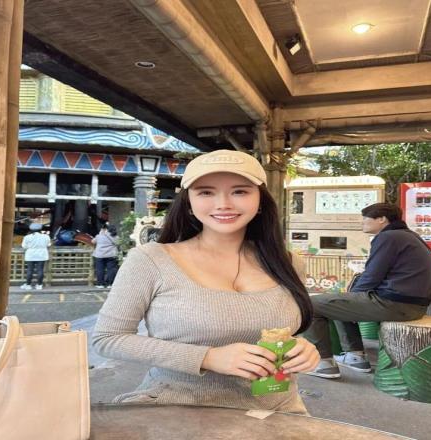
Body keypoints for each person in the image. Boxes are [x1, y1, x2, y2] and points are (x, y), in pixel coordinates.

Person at [93, 150, 319, 413]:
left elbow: (287, 331)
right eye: (205, 192)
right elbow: (109, 338)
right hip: (178, 410)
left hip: (278, 412)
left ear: (260, 200)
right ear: (188, 202)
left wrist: (303, 349)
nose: (223, 204)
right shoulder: (150, 259)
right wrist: (208, 357)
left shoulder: (288, 262)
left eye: (240, 191)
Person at [304, 203, 431, 379]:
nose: (362, 223)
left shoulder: (388, 237)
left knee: (309, 305)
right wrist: (350, 297)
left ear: (381, 219)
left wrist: (352, 296)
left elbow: (372, 275)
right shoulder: (409, 236)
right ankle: (355, 357)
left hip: (394, 304)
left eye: (365, 218)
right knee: (337, 302)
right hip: (414, 306)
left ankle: (322, 363)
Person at [20, 223, 51, 290]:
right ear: (40, 229)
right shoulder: (46, 236)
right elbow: (48, 245)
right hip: (42, 255)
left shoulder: (27, 237)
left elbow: (24, 246)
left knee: (30, 270)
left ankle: (28, 285)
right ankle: (39, 285)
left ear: (31, 229)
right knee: (40, 269)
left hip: (30, 255)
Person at [92, 224, 119, 288]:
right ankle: (110, 284)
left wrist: (100, 233)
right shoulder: (116, 236)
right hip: (111, 255)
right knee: (111, 269)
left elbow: (93, 241)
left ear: (106, 229)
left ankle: (100, 284)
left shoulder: (99, 236)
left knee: (100, 269)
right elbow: (118, 243)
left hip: (100, 255)